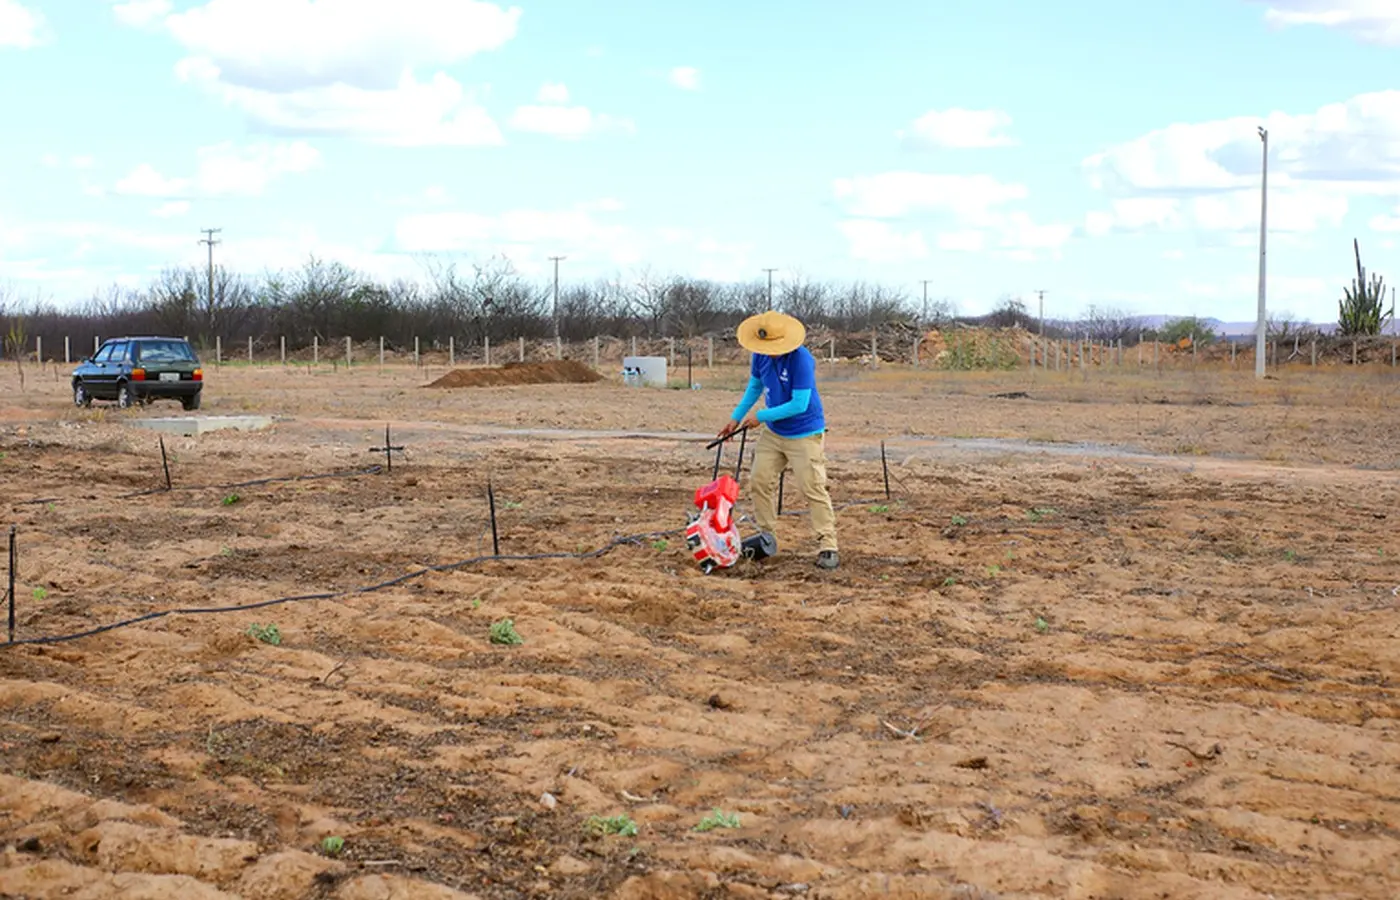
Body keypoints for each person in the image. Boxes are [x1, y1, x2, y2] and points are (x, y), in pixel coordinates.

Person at [717, 310, 839, 570]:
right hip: (774, 433)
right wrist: (735, 418)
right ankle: (766, 536)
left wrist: (761, 416)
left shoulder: (801, 359)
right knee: (759, 481)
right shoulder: (760, 355)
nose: (768, 352)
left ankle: (828, 544)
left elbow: (799, 404)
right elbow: (755, 387)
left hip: (804, 432)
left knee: (812, 487)